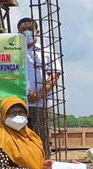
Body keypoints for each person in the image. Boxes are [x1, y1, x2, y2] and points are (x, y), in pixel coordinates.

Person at [17, 17, 62, 156]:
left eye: (30, 29)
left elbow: (54, 75)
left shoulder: (47, 52)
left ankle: (43, 167)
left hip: (41, 104)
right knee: (19, 139)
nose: (27, 32)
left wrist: (39, 94)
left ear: (38, 32)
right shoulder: (15, 51)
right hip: (18, 104)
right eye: (23, 30)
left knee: (41, 138)